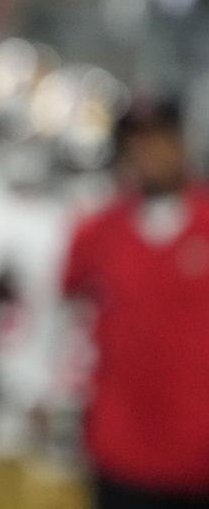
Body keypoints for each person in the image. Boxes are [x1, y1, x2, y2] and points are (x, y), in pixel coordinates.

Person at [62, 96, 209, 509]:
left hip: (199, 458)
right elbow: (64, 317)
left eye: (160, 138)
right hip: (120, 455)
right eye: (137, 142)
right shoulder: (97, 231)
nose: (150, 152)